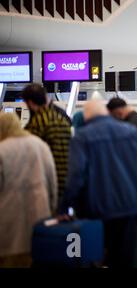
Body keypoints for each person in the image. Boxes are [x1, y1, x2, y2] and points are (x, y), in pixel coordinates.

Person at [60, 100, 137, 268]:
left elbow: (75, 176)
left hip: (97, 210)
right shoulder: (130, 131)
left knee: (95, 257)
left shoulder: (82, 137)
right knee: (125, 259)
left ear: (87, 118)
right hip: (130, 206)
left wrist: (64, 206)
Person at [0, 113, 57, 268]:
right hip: (40, 219)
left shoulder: (2, 150)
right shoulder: (40, 145)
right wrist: (52, 209)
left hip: (9, 225)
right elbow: (52, 182)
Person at [22, 84, 72, 201]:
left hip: (46, 183)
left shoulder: (38, 122)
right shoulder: (61, 117)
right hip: (66, 182)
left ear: (30, 103)